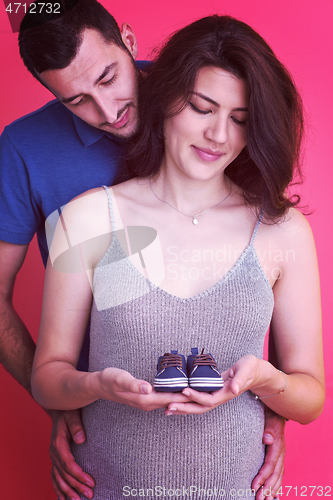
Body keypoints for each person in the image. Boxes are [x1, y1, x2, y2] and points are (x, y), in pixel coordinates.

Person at [31, 14, 324, 500]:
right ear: (165, 97)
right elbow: (48, 379)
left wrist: (265, 379)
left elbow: (310, 396)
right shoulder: (87, 219)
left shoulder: (282, 230)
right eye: (202, 108)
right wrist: (97, 385)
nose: (219, 136)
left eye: (240, 119)